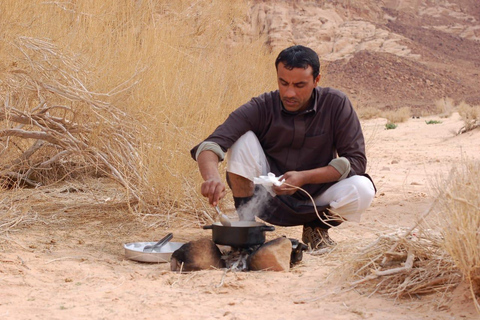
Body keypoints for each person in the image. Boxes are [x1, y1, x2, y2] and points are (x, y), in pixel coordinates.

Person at [190, 45, 375, 251]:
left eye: (299, 85)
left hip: (318, 199)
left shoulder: (336, 104)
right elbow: (212, 144)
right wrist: (211, 177)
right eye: (283, 82)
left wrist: (304, 177)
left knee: (362, 189)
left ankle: (316, 229)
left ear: (316, 80)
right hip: (269, 198)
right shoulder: (262, 106)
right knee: (242, 139)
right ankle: (246, 227)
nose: (289, 92)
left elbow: (356, 161)